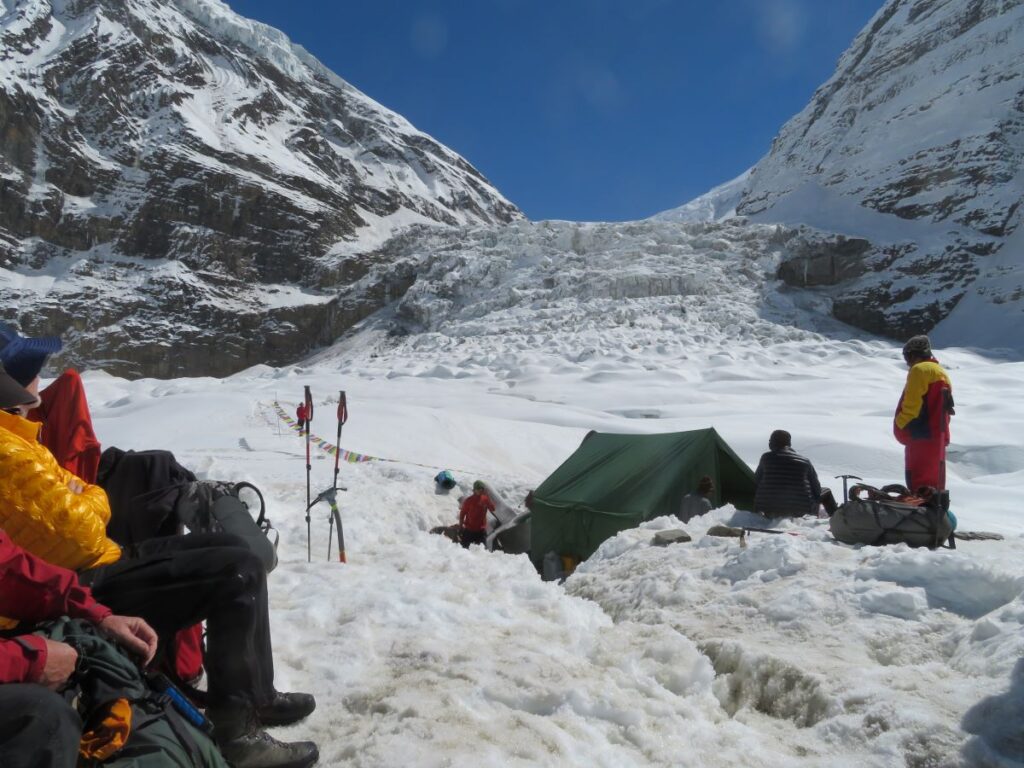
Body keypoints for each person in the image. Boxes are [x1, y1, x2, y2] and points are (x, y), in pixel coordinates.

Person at [0, 362, 318, 768]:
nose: (36, 381)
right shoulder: (8, 448)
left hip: (88, 567)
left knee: (239, 555)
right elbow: (76, 529)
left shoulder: (21, 437)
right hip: (86, 570)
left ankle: (255, 696)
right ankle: (238, 735)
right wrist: (93, 497)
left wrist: (84, 498)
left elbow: (14, 558)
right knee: (234, 572)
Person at [894, 335, 954, 491]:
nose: (907, 363)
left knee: (918, 486)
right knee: (934, 488)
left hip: (920, 437)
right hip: (937, 438)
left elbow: (912, 405)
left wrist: (899, 425)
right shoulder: (941, 373)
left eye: (907, 357)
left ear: (914, 355)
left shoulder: (919, 370)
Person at [753, 430, 824, 517]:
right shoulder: (805, 461)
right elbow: (817, 488)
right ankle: (835, 516)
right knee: (825, 491)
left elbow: (756, 481)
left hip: (767, 509)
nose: (769, 443)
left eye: (770, 441)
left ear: (773, 443)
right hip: (800, 511)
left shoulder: (766, 458)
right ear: (789, 444)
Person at [459, 480, 495, 548]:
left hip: (481, 531)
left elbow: (492, 509)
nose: (480, 490)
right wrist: (460, 526)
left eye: (481, 488)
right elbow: (462, 514)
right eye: (478, 488)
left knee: (482, 552)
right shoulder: (469, 501)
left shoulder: (485, 499)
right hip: (469, 530)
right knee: (464, 551)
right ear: (474, 490)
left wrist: (488, 498)